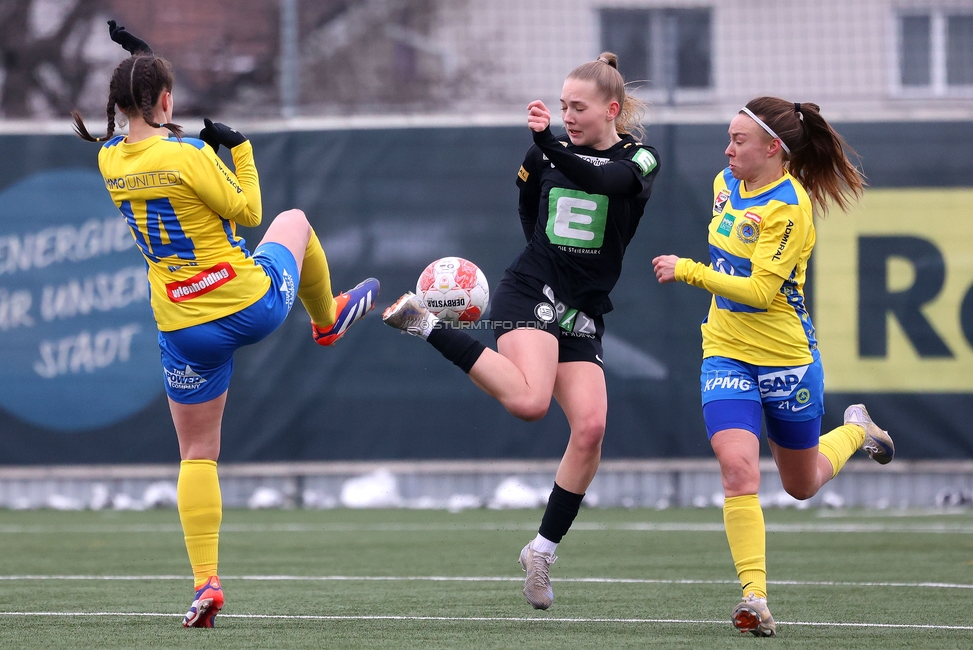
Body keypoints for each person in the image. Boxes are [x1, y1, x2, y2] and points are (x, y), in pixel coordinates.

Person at [73, 21, 379, 628]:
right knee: (293, 220)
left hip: (183, 328)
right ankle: (327, 319)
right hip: (247, 303)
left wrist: (141, 61)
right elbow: (248, 209)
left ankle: (205, 582)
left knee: (197, 454)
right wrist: (237, 148)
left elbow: (143, 133)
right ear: (165, 101)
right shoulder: (187, 154)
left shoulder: (109, 159)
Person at [383, 53, 660, 610]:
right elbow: (528, 207)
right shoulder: (544, 153)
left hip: (581, 310)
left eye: (578, 107)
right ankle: (424, 322)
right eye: (562, 107)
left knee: (591, 429)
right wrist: (546, 261)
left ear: (612, 109)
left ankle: (540, 550)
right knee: (531, 403)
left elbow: (600, 178)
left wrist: (552, 142)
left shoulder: (640, 159)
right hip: (530, 291)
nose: (568, 116)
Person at [651, 97, 895, 637]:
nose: (728, 148)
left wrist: (689, 270)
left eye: (739, 140)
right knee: (737, 468)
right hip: (725, 351)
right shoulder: (724, 183)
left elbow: (762, 292)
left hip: (786, 358)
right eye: (729, 137)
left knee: (801, 486)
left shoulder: (790, 206)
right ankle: (755, 597)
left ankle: (855, 429)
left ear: (773, 149)